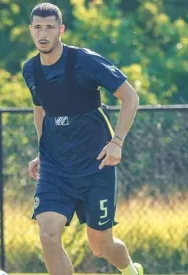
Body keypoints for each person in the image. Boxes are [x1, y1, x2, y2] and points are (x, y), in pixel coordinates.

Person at [22, 3, 143, 275]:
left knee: (101, 246)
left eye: (50, 27)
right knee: (48, 235)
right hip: (55, 169)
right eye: (38, 28)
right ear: (31, 31)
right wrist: (43, 150)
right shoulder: (30, 70)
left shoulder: (84, 61)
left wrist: (118, 142)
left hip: (95, 166)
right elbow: (41, 108)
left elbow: (130, 97)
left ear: (61, 30)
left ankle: (131, 270)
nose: (44, 33)